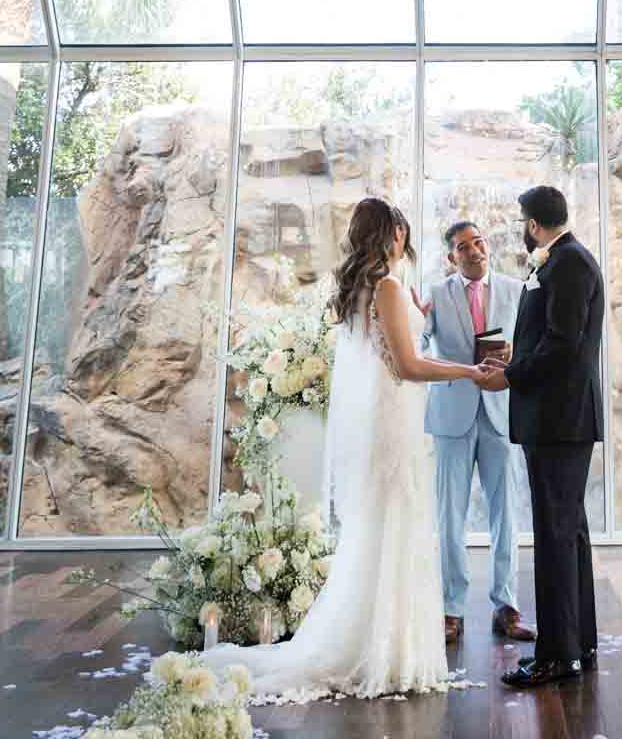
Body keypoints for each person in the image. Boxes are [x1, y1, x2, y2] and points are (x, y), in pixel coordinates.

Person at [206, 198, 489, 702]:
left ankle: (382, 641)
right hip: (393, 428)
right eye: (400, 229)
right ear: (392, 235)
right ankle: (388, 650)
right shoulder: (386, 286)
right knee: (396, 527)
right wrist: (469, 372)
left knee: (382, 532)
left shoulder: (365, 288)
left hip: (385, 423)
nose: (404, 236)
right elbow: (407, 367)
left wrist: (417, 317)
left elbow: (388, 348)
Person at [480, 184, 605, 689]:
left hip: (559, 423)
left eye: (521, 221)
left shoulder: (569, 263)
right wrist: (516, 356)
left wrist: (510, 376)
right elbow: (552, 340)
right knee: (567, 532)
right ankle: (579, 645)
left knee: (557, 536)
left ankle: (557, 656)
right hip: (558, 420)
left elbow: (563, 346)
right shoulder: (561, 262)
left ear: (532, 224)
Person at [423, 219, 534, 646]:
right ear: (452, 257)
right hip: (452, 415)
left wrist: (515, 352)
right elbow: (417, 343)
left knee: (506, 513)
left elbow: (532, 345)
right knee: (449, 516)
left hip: (501, 413)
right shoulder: (434, 295)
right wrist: (415, 321)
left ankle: (506, 606)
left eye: (478, 242)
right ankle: (451, 609)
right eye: (463, 247)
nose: (474, 251)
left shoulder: (515, 291)